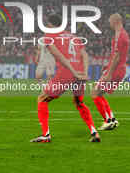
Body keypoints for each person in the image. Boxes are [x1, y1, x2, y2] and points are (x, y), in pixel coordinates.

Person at [30, 14, 100, 143]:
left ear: (50, 24)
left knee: (42, 99)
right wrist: (84, 73)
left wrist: (73, 72)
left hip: (66, 73)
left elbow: (60, 56)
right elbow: (84, 55)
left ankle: (46, 135)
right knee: (79, 103)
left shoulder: (49, 36)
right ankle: (94, 132)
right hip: (79, 73)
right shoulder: (74, 36)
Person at [92, 13, 129, 130]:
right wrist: (107, 67)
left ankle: (107, 121)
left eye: (110, 22)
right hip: (118, 69)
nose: (109, 25)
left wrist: (109, 73)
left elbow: (117, 56)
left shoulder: (120, 35)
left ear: (115, 21)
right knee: (100, 93)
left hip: (116, 70)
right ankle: (112, 119)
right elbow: (117, 55)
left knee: (95, 93)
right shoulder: (124, 34)